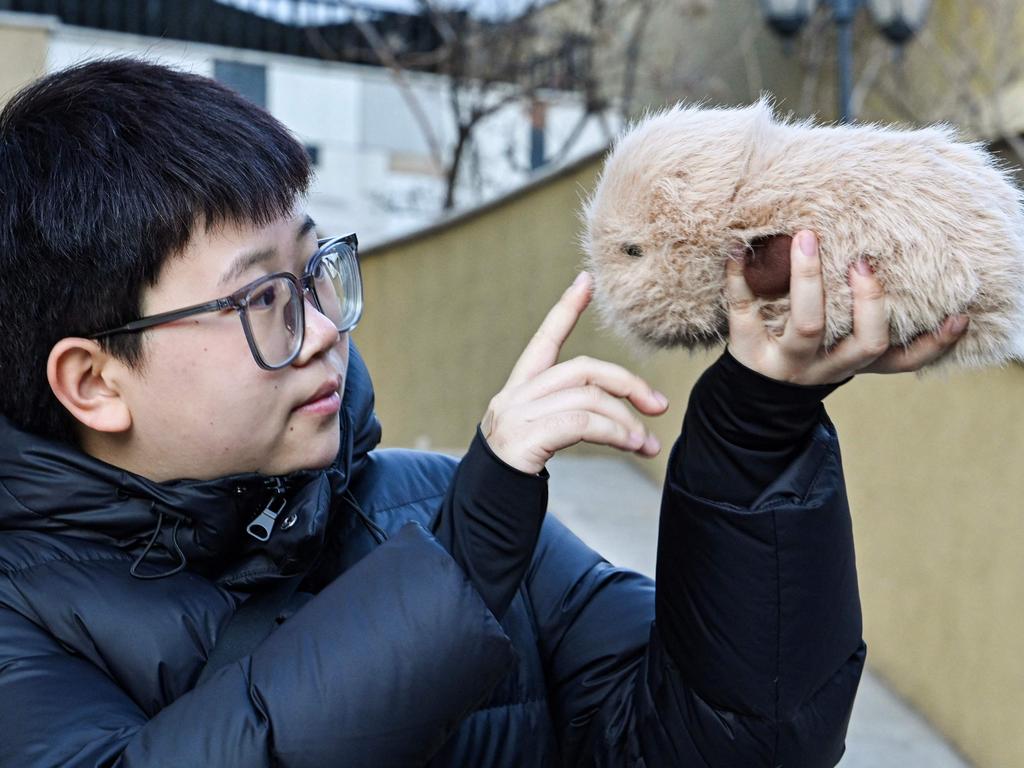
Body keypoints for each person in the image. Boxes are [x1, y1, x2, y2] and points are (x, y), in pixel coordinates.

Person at [0, 59, 968, 768]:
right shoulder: (20, 622)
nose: (325, 328)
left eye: (316, 271)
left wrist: (757, 428)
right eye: (262, 300)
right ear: (93, 381)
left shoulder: (434, 507)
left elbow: (729, 746)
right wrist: (457, 570)